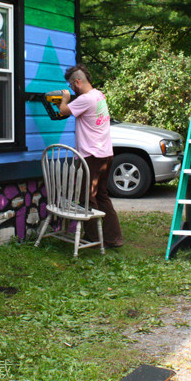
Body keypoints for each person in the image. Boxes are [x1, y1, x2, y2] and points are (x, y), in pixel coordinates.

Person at [58, 64, 123, 248]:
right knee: (102, 195)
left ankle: (93, 237)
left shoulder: (85, 99)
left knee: (87, 197)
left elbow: (63, 111)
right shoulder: (98, 95)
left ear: (77, 82)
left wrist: (65, 98)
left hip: (91, 156)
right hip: (105, 153)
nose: (71, 88)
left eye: (71, 85)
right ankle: (113, 237)